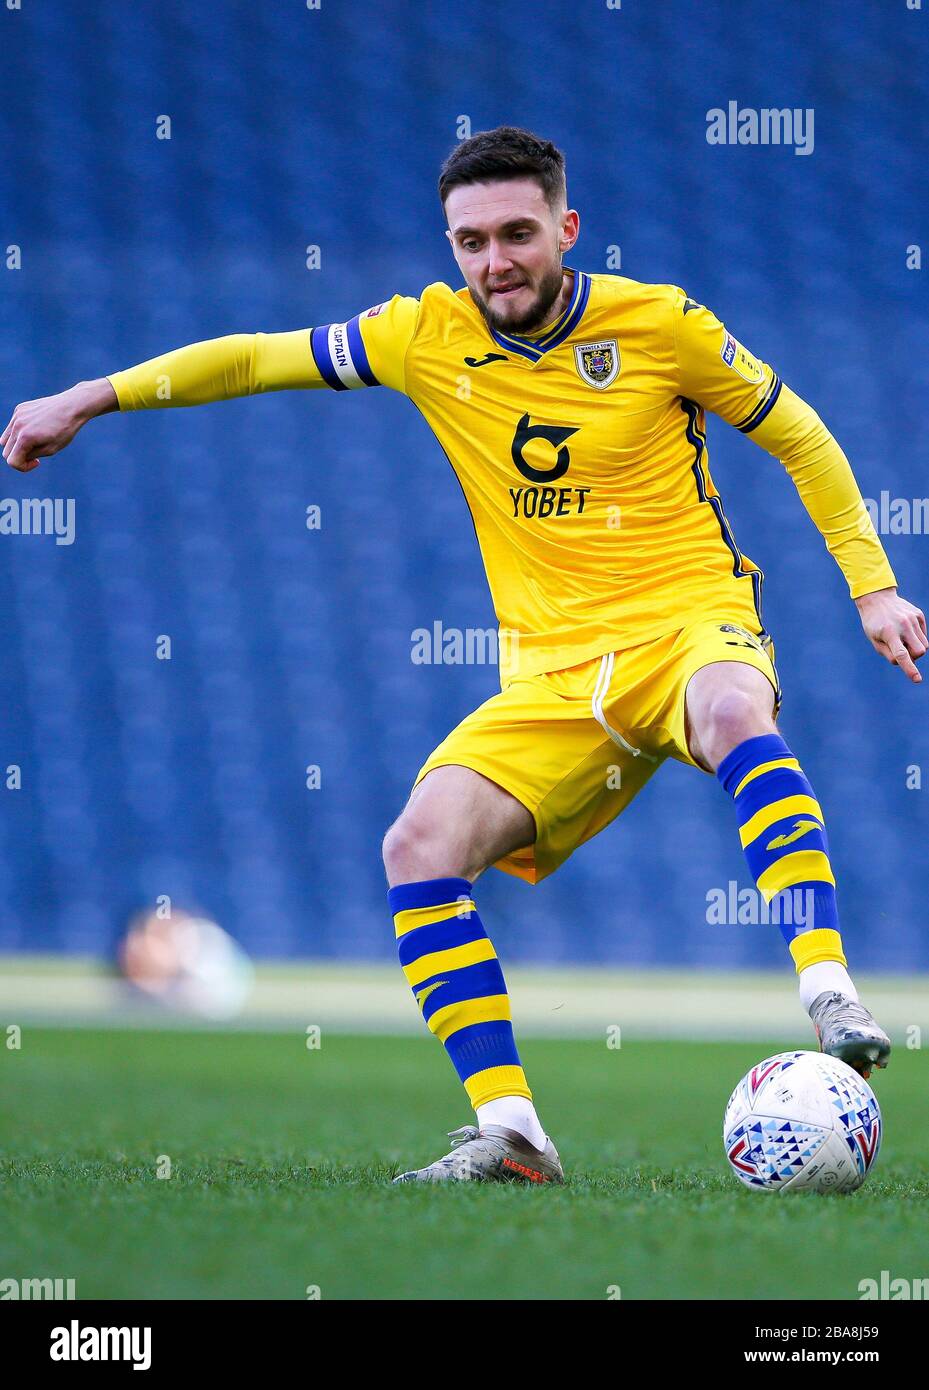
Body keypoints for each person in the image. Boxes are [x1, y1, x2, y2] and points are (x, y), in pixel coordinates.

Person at [4, 126, 924, 1186]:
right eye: (471, 240)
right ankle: (513, 1131)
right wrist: (89, 396)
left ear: (565, 229)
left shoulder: (661, 324)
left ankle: (825, 989)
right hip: (550, 674)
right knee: (419, 842)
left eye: (517, 234)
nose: (495, 262)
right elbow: (258, 357)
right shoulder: (421, 336)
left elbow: (797, 433)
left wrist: (871, 584)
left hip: (687, 622)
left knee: (731, 713)